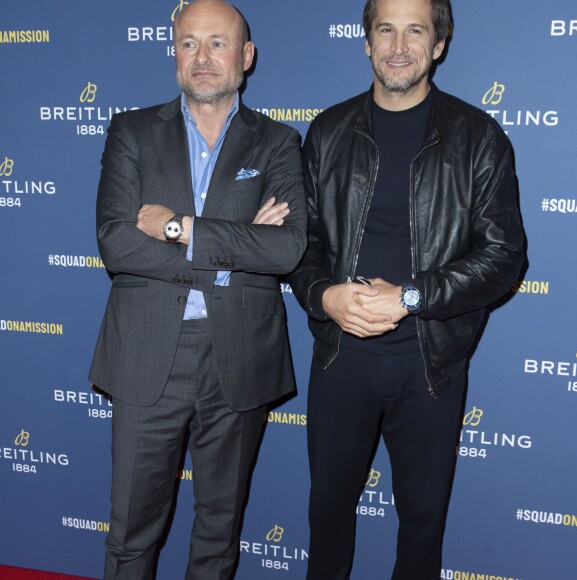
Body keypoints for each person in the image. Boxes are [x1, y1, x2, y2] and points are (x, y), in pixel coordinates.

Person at [287, 0, 524, 578]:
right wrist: (323, 295)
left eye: (415, 30)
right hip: (341, 358)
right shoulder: (327, 131)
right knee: (328, 517)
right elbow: (302, 244)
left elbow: (504, 257)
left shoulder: (478, 137)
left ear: (438, 44)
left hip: (432, 364)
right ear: (366, 42)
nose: (398, 45)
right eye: (384, 29)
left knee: (423, 523)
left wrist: (412, 296)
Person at [89, 1, 306, 578]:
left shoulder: (279, 142)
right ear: (174, 53)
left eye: (217, 42)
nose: (202, 57)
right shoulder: (131, 131)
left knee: (219, 530)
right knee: (131, 532)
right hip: (145, 355)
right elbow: (116, 243)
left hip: (241, 357)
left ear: (247, 55)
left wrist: (178, 228)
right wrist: (232, 254)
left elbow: (285, 249)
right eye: (188, 43)